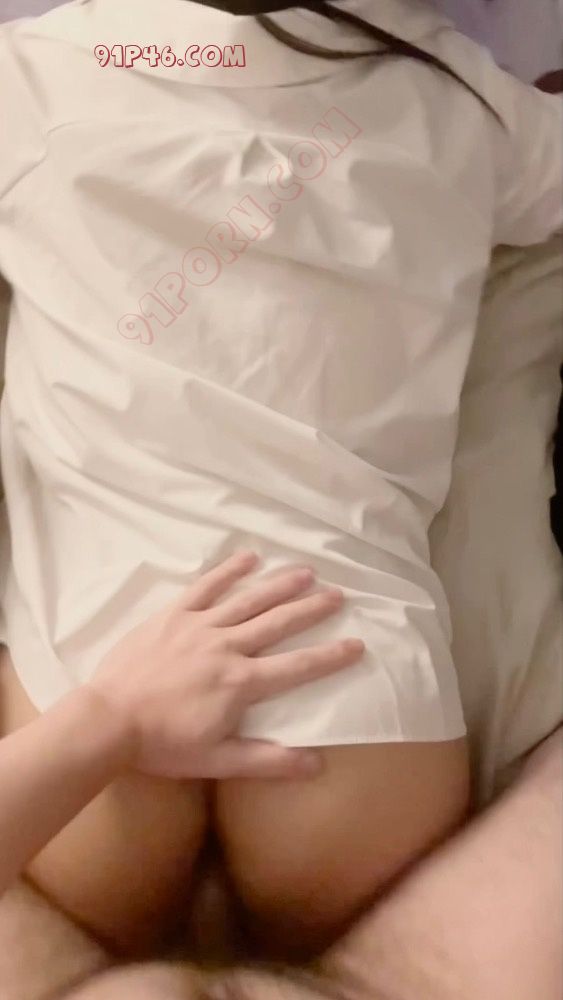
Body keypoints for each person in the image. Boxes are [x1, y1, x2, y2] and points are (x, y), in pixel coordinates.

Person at [0, 0, 561, 971]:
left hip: (93, 703)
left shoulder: (27, 80)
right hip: (353, 708)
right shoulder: (464, 103)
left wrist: (109, 722)